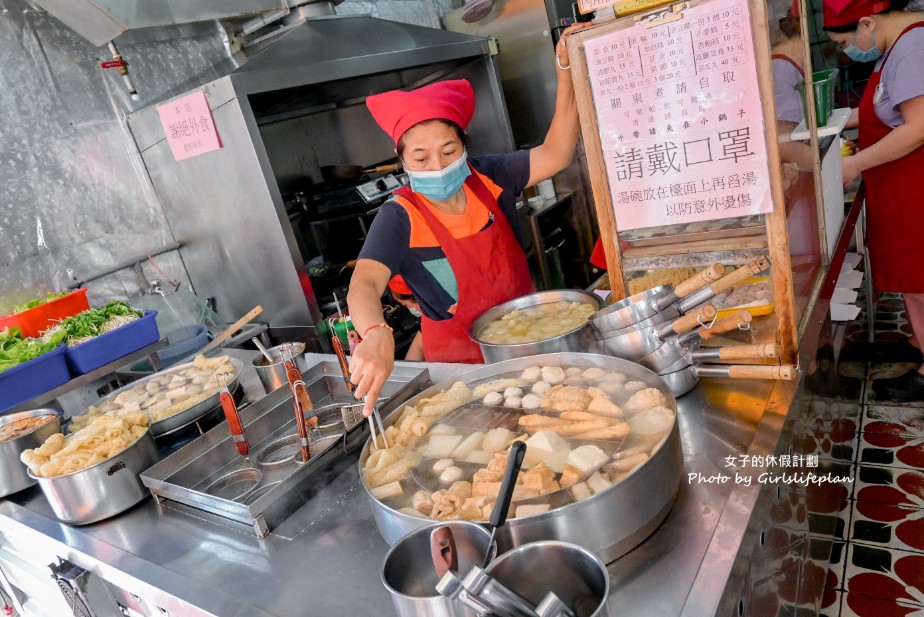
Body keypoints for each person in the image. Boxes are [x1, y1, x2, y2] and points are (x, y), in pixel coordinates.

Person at [347, 22, 591, 413]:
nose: (437, 165)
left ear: (465, 147)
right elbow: (363, 283)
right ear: (403, 163)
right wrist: (375, 333)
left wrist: (565, 70)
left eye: (448, 150)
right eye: (421, 158)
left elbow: (557, 153)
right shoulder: (399, 216)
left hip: (532, 348)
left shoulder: (490, 176)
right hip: (462, 381)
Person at [823, 0, 924, 400]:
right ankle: (919, 343)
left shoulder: (913, 46)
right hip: (901, 187)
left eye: (847, 41)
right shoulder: (895, 45)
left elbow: (917, 128)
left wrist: (852, 166)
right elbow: (883, 108)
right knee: (914, 281)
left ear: (867, 21)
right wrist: (828, 121)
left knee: (921, 281)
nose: (849, 49)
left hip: (915, 185)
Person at [387, 275, 424, 361]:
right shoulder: (427, 319)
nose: (409, 309)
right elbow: (418, 346)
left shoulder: (443, 314)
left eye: (405, 305)